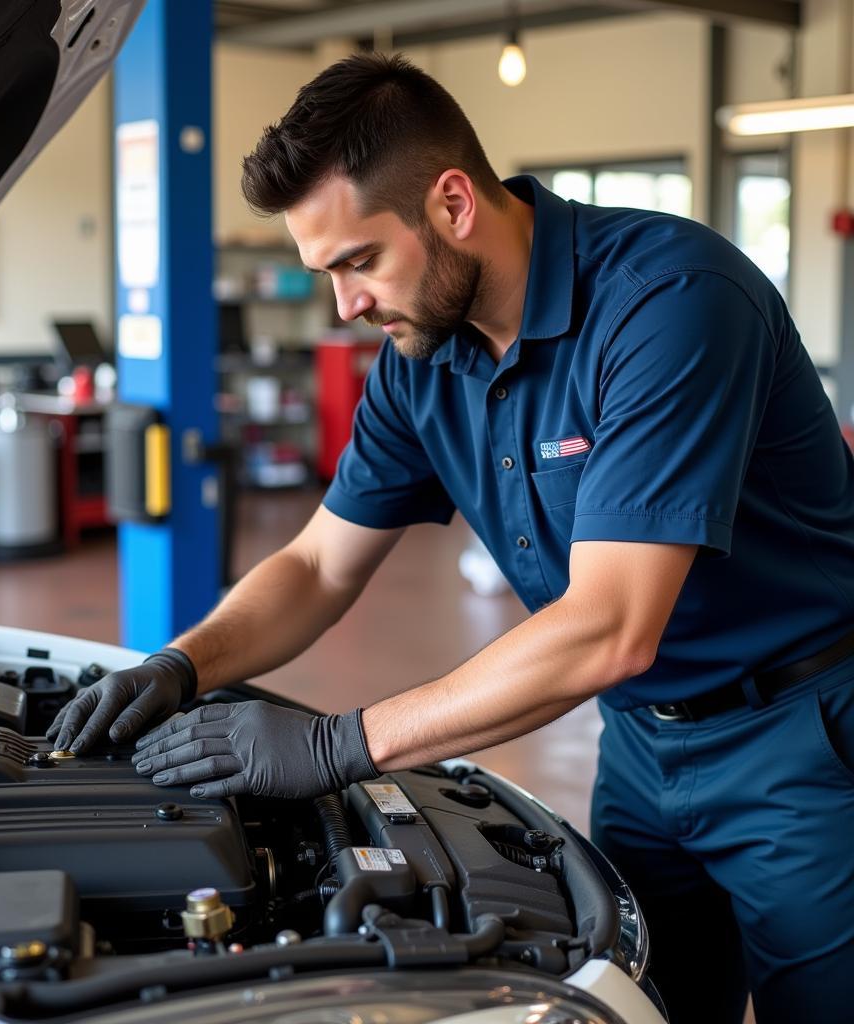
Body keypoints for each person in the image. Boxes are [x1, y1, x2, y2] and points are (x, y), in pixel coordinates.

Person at [48, 54, 854, 1022]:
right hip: (641, 747)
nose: (344, 305)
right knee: (649, 1007)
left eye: (358, 261)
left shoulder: (670, 304)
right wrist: (181, 665)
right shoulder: (419, 362)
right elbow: (315, 564)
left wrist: (339, 743)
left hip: (798, 742)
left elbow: (608, 626)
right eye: (325, 273)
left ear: (453, 204)